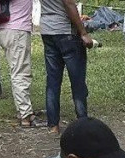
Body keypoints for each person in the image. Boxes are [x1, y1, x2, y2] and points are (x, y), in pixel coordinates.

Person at [39, 0, 94, 134]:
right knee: (77, 81)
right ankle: (82, 122)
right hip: (65, 31)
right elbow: (69, 3)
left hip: (47, 30)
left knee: (52, 81)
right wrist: (83, 32)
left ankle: (53, 125)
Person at [0, 0, 41, 127]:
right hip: (16, 28)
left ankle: (23, 111)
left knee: (17, 69)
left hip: (7, 27)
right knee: (20, 72)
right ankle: (25, 114)